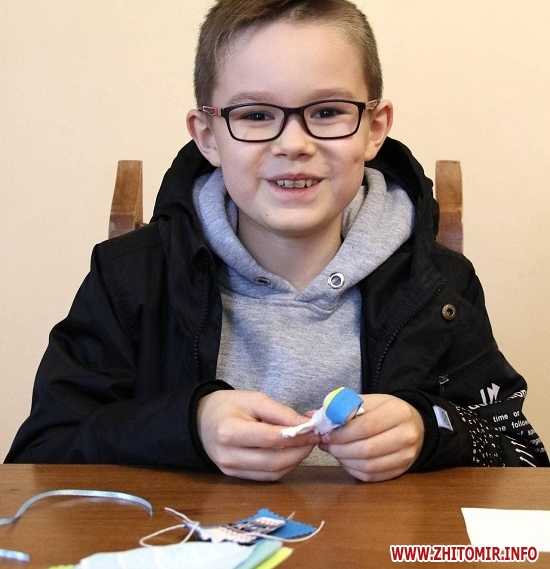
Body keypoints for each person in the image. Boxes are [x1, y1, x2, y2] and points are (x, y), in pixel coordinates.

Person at [5, 0, 548, 481]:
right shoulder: (131, 277)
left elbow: (523, 458)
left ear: (375, 128)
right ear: (208, 136)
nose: (294, 144)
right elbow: (40, 455)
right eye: (256, 114)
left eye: (327, 111)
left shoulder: (439, 286)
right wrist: (190, 424)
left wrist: (430, 428)